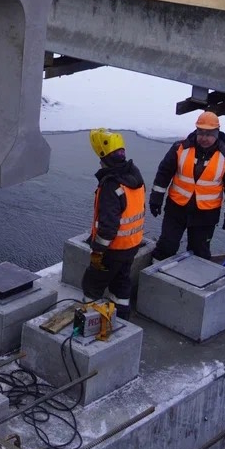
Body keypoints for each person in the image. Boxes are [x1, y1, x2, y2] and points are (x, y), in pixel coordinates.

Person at [149, 111, 225, 260]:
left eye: (209, 134)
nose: (204, 138)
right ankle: (153, 279)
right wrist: (156, 198)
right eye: (201, 133)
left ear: (217, 133)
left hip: (206, 215)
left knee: (199, 253)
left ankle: (192, 282)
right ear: (196, 130)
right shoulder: (179, 149)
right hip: (176, 208)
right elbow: (164, 174)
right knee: (166, 246)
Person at [82, 129, 146, 320]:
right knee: (121, 282)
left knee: (93, 283)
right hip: (132, 244)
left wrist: (98, 250)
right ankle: (122, 319)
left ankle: (88, 320)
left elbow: (109, 226)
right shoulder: (134, 175)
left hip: (114, 248)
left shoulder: (111, 185)